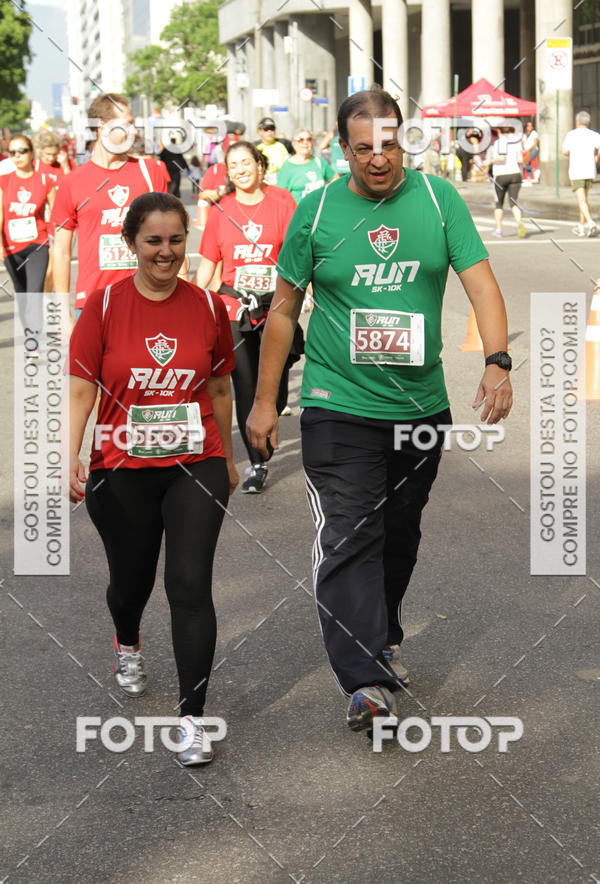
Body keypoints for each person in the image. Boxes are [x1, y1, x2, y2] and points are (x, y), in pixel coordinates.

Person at [246, 88, 513, 733]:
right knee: (350, 531)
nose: (377, 158)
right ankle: (363, 679)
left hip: (419, 407)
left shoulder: (437, 200)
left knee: (399, 530)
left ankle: (382, 633)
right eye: (363, 147)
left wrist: (498, 361)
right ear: (343, 148)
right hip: (336, 402)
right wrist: (264, 402)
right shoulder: (316, 212)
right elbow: (282, 313)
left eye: (388, 145)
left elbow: (481, 285)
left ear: (404, 142)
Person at [69, 192, 237, 765]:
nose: (166, 252)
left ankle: (192, 719)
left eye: (175, 240)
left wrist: (227, 456)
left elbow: (219, 387)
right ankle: (127, 640)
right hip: (120, 467)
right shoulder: (104, 305)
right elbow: (81, 389)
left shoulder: (209, 305)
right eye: (153, 241)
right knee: (131, 582)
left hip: (196, 460)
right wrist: (70, 454)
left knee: (189, 585)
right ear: (131, 243)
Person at [196, 140, 298, 493]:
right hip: (233, 309)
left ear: (260, 165)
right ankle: (257, 463)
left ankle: (269, 415)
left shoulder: (282, 201)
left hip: (276, 308)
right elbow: (207, 266)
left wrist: (313, 292)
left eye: (246, 162)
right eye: (233, 165)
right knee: (245, 385)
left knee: (276, 392)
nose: (240, 170)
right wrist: (186, 301)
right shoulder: (221, 211)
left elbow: (298, 254)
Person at [50, 92, 171, 327]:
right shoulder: (71, 182)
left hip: (149, 298)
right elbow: (61, 251)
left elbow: (172, 237)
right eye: (128, 124)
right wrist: (62, 313)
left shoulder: (150, 171)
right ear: (103, 127)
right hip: (93, 303)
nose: (134, 131)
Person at [0, 134, 55, 346]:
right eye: (12, 152)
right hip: (11, 247)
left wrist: (57, 246)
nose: (17, 156)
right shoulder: (4, 181)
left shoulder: (45, 180)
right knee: (22, 295)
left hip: (37, 245)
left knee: (34, 293)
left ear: (32, 153)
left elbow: (56, 216)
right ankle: (29, 334)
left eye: (22, 151)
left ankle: (33, 340)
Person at [562, 110, 600, 237]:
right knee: (584, 200)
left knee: (581, 200)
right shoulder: (594, 135)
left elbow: (564, 151)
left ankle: (590, 222)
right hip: (590, 170)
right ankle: (581, 227)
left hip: (577, 170)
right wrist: (596, 157)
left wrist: (572, 153)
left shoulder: (571, 135)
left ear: (577, 122)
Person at [486, 126, 526, 238]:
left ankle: (499, 230)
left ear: (500, 131)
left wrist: (490, 161)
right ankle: (519, 222)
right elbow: (520, 160)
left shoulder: (499, 143)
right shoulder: (516, 142)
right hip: (515, 174)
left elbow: (502, 157)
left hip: (501, 175)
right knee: (513, 202)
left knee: (499, 204)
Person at [277, 129, 336, 203]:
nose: (305, 143)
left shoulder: (319, 162)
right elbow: (279, 196)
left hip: (320, 208)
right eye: (300, 140)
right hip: (298, 209)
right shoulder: (287, 167)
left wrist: (330, 195)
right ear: (293, 143)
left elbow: (335, 179)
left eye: (309, 139)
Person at [255, 117, 292, 184]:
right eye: (266, 129)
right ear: (260, 131)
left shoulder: (285, 144)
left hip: (283, 182)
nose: (269, 132)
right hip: (265, 183)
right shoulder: (256, 148)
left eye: (272, 128)